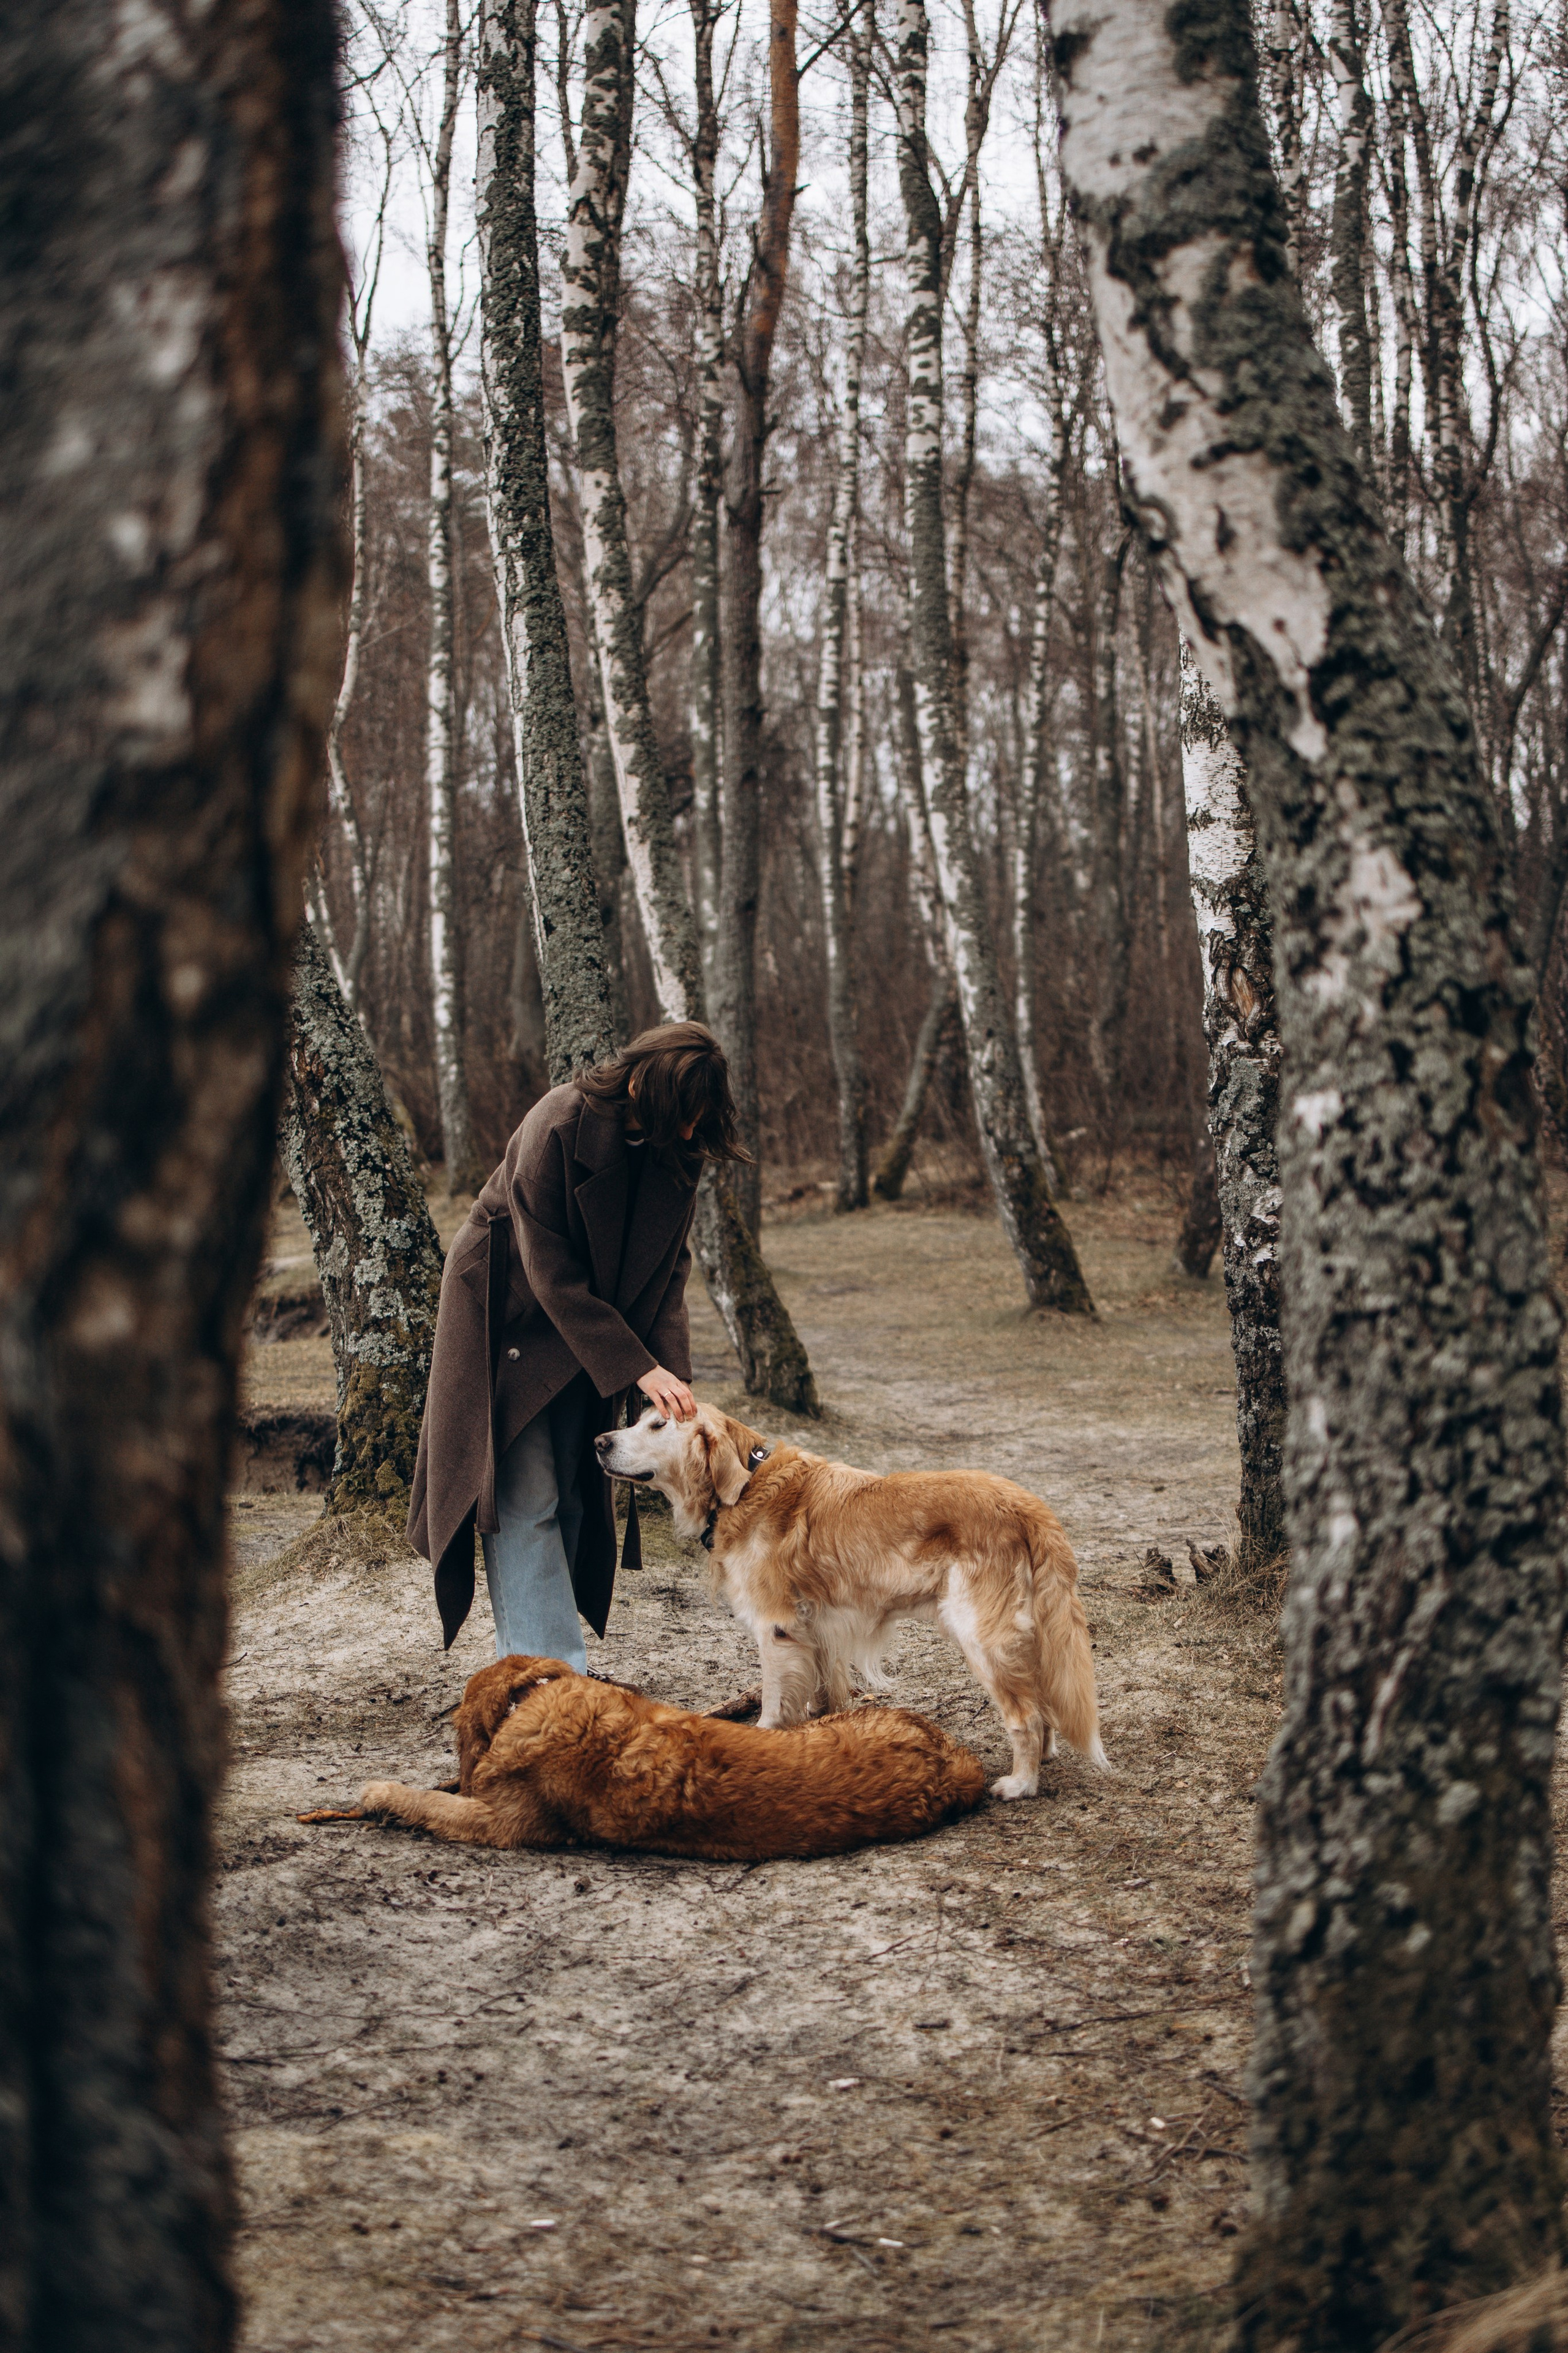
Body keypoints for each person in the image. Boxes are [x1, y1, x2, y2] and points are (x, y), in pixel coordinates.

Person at [407, 1022, 749, 1667]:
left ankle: (544, 1667)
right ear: (645, 1087)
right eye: (681, 1117)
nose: (687, 1134)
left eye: (697, 1122)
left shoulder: (682, 1148)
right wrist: (639, 1367)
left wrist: (671, 1385)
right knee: (525, 1494)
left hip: (590, 1329)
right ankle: (548, 1679)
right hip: (507, 1312)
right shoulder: (558, 1123)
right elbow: (550, 1273)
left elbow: (667, 1275)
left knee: (570, 1490)